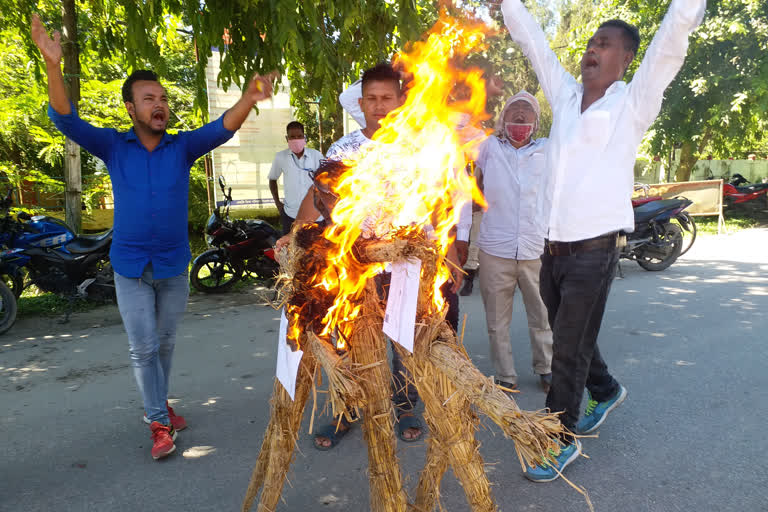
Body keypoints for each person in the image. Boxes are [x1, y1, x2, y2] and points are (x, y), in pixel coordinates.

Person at [32, 14, 276, 460]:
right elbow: (65, 119)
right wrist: (52, 66)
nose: (159, 105)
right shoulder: (112, 145)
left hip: (172, 265)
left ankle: (159, 404)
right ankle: (158, 423)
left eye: (162, 98)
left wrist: (248, 96)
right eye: (148, 99)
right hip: (130, 266)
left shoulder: (181, 147)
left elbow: (223, 127)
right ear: (131, 108)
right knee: (143, 346)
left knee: (164, 343)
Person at [496, 0, 705, 482]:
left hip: (595, 251)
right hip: (552, 250)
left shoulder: (633, 102)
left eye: (605, 44)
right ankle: (606, 389)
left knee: (566, 347)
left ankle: (558, 438)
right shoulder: (566, 96)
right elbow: (534, 44)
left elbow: (670, 44)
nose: (592, 50)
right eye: (591, 43)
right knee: (573, 333)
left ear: (626, 60)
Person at [276, 62, 468, 448]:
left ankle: (405, 404)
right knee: (349, 344)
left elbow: (438, 209)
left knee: (404, 342)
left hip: (407, 264)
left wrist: (449, 256)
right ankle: (348, 407)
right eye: (373, 99)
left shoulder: (417, 148)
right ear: (361, 102)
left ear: (399, 102)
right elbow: (320, 198)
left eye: (388, 98)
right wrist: (294, 232)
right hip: (354, 267)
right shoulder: (343, 148)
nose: (380, 106)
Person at [474, 90, 553, 394]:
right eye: (513, 109)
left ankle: (546, 368)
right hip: (495, 248)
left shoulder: (548, 149)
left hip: (535, 247)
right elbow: (453, 127)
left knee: (542, 314)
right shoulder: (488, 147)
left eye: (527, 110)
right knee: (496, 319)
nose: (520, 114)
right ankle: (505, 374)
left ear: (537, 120)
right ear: (502, 118)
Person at [268, 121, 324, 235]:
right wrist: (278, 203)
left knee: (317, 250)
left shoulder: (316, 156)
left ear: (304, 137)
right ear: (286, 138)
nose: (296, 140)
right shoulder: (281, 157)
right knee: (291, 250)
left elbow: (325, 181)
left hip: (315, 216)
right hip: (291, 215)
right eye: (292, 137)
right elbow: (272, 179)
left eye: (299, 136)